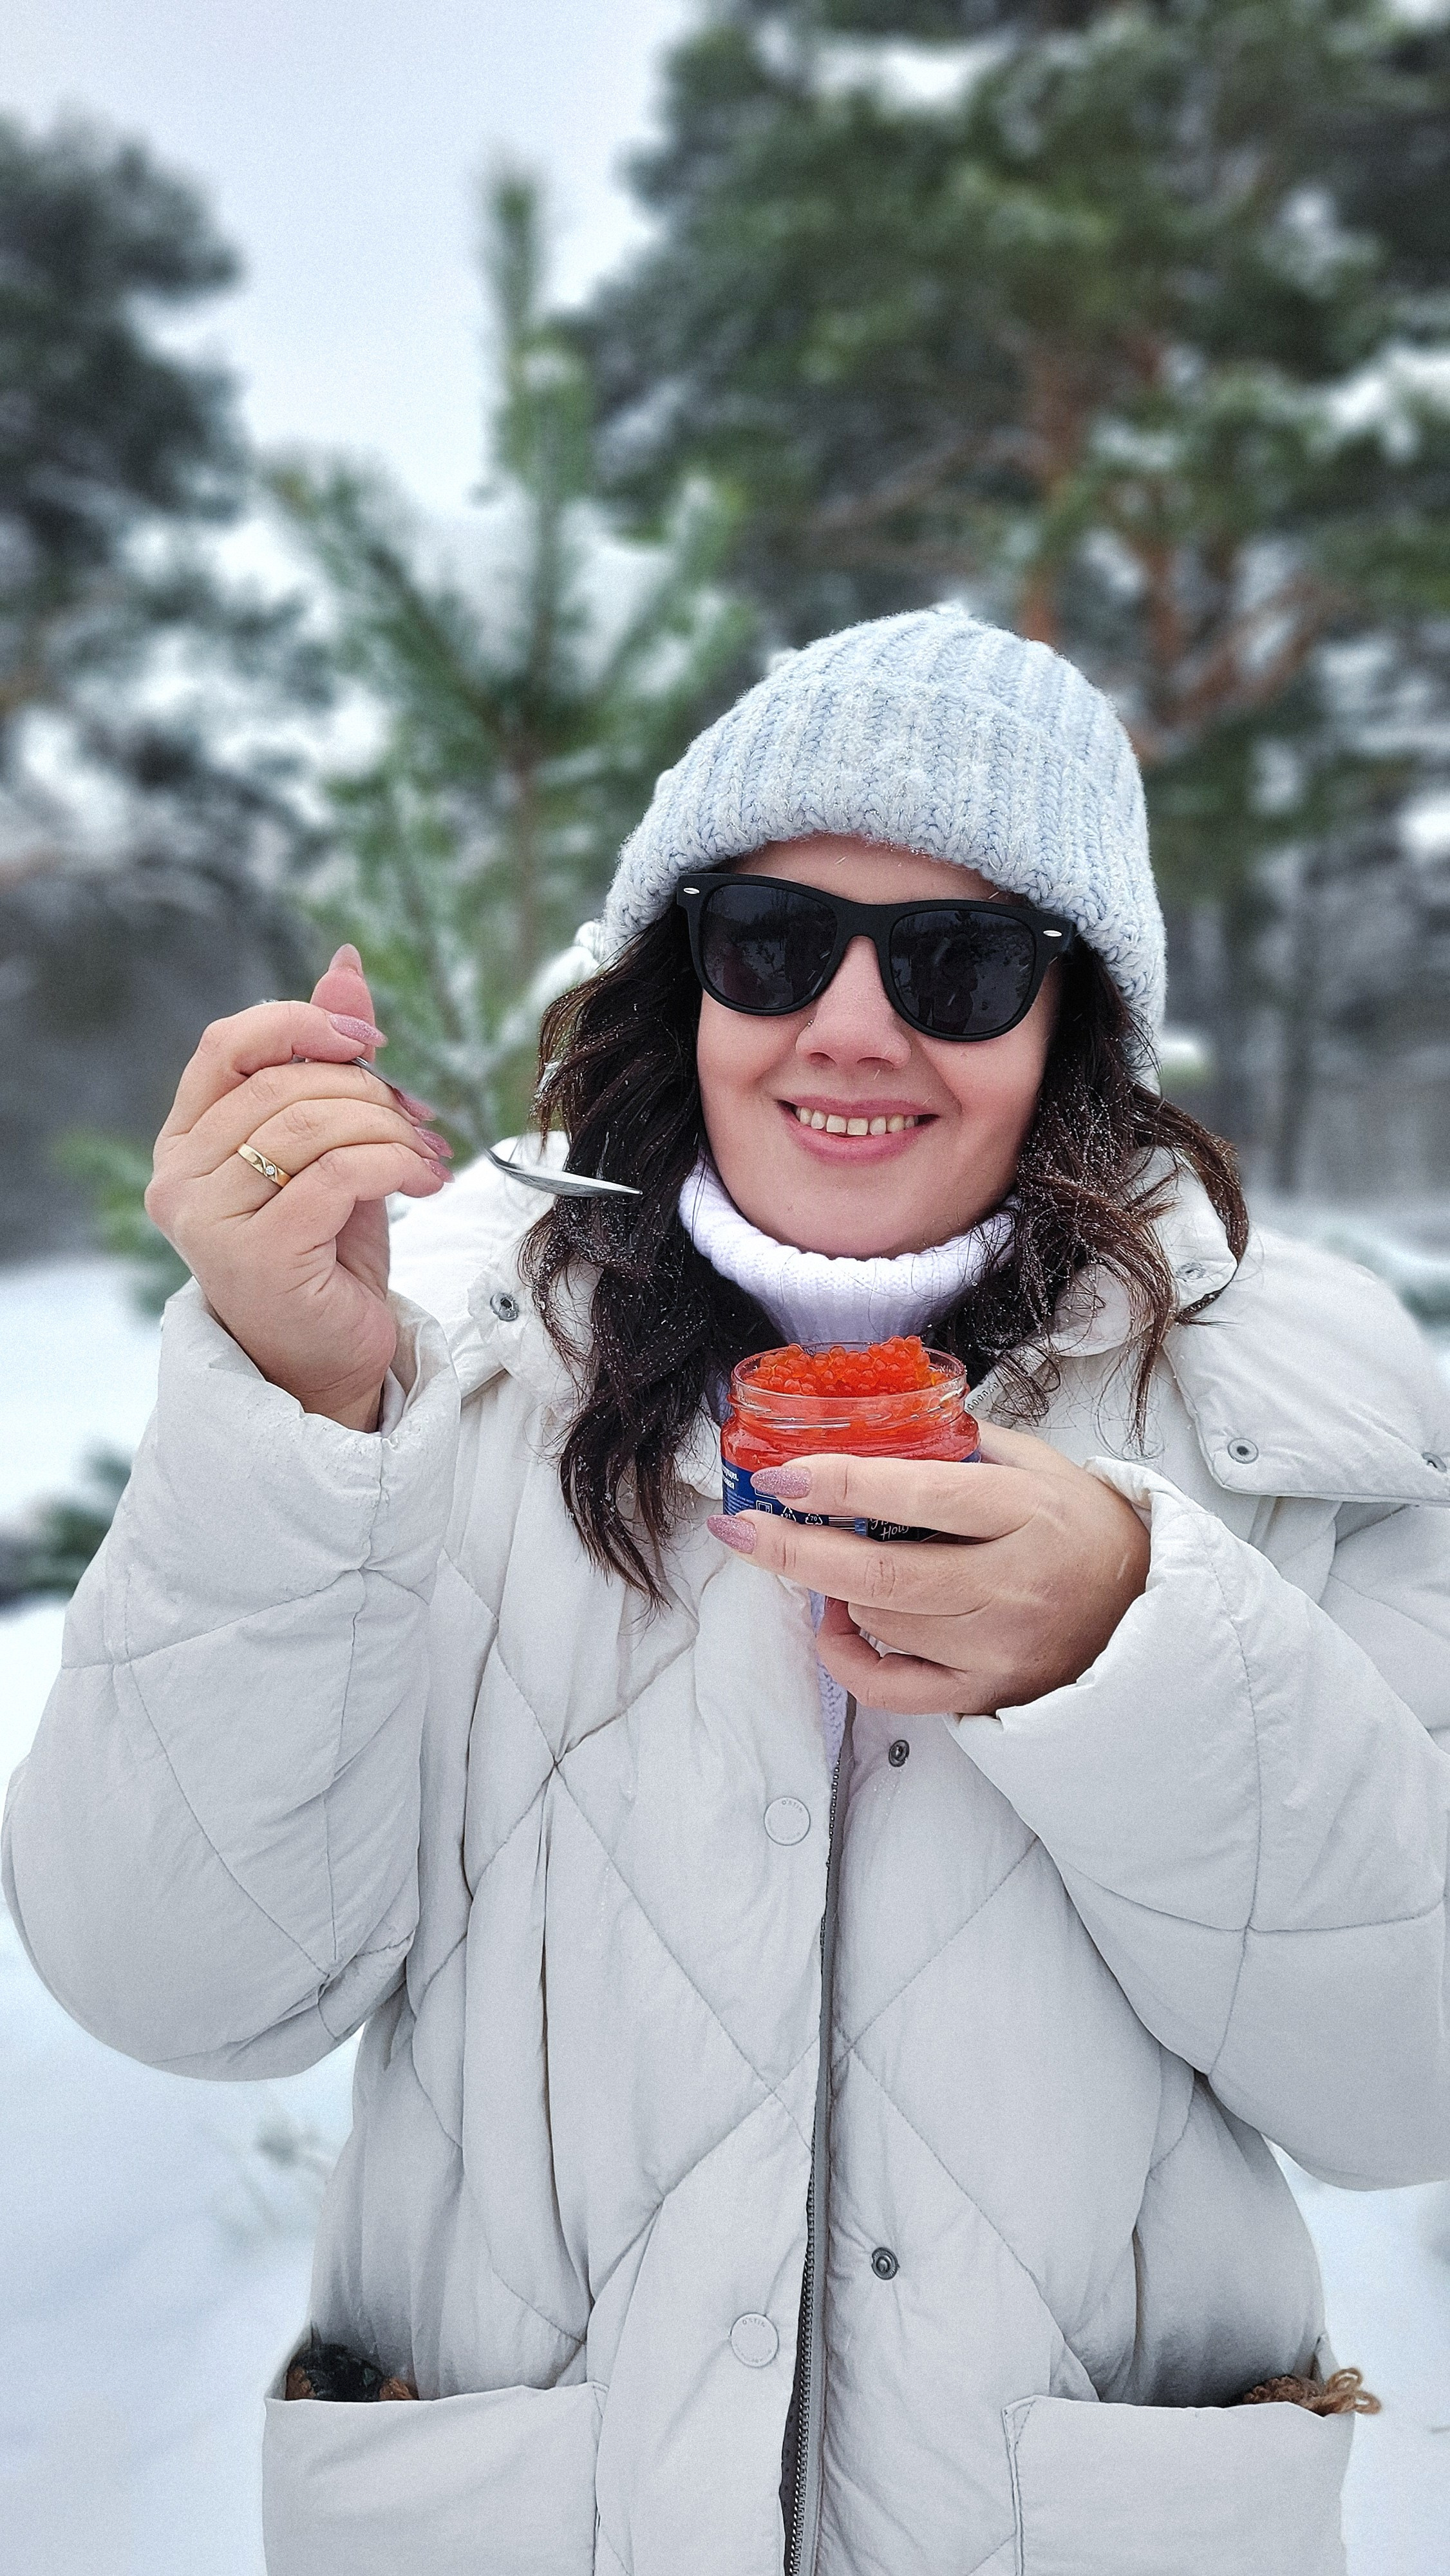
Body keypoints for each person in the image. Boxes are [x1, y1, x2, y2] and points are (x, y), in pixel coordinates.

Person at [5, 607, 1449, 2576]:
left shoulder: (1296, 1408)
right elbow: (175, 1984)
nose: (847, 1026)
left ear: (1070, 1019)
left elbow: (1404, 2083)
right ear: (680, 975)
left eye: (955, 964)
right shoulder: (435, 1355)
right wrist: (293, 1413)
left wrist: (1133, 1648)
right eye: (770, 942)